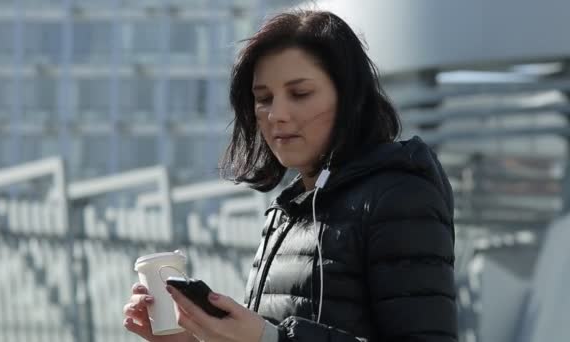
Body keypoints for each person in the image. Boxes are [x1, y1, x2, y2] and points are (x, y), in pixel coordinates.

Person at [123, 9, 457, 342]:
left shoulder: (400, 197)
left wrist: (269, 339)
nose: (277, 115)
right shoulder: (286, 214)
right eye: (263, 98)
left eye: (300, 94)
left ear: (349, 97)